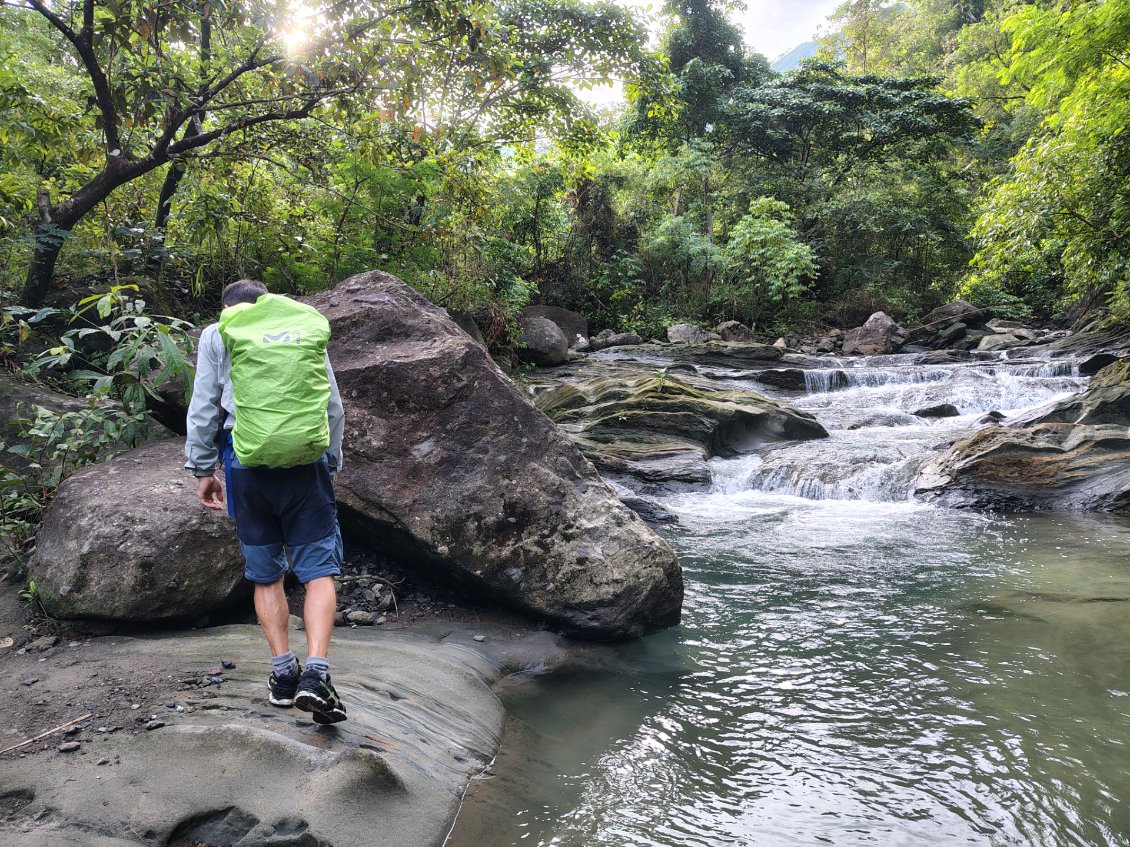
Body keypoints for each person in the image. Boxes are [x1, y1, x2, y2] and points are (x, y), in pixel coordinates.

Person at [184, 279, 348, 724]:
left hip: (245, 464)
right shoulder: (299, 327)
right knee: (318, 573)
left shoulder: (219, 333)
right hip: (304, 467)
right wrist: (329, 460)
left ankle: (281, 674)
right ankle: (316, 673)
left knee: (265, 575)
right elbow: (331, 403)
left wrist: (202, 469)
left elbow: (204, 406)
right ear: (267, 301)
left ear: (227, 307)